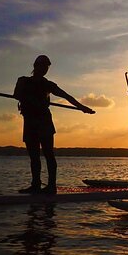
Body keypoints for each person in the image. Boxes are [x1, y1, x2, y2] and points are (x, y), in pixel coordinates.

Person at [14, 55, 95, 194]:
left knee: (48, 154)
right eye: (42, 66)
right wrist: (29, 97)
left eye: (47, 67)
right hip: (30, 122)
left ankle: (51, 186)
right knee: (34, 156)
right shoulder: (23, 81)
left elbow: (67, 96)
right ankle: (36, 185)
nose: (44, 69)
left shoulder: (48, 84)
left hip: (44, 122)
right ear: (35, 66)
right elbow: (16, 95)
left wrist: (82, 108)